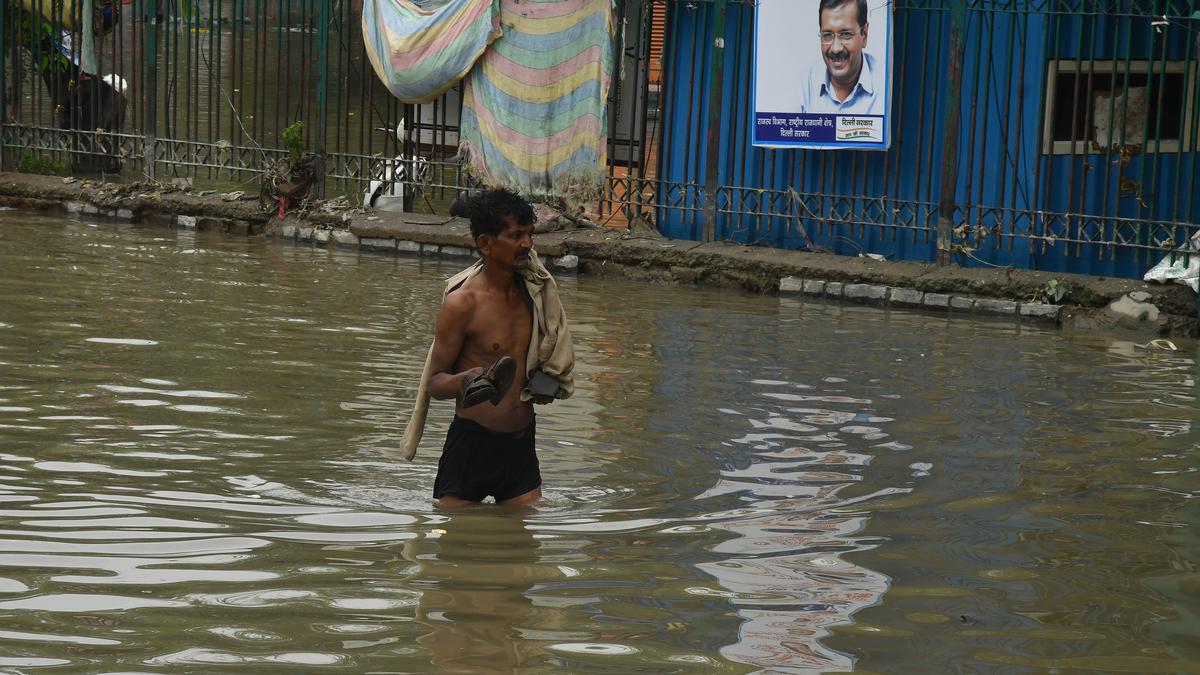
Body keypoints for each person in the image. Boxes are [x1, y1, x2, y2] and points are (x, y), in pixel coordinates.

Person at [399, 188, 575, 508]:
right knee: (454, 545)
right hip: (472, 445)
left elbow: (543, 356)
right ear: (485, 244)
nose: (527, 244)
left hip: (520, 445)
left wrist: (546, 384)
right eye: (516, 235)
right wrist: (467, 380)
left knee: (524, 550)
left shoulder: (536, 294)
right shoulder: (462, 304)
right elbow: (436, 383)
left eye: (529, 234)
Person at [796, 0, 884, 115]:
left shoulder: (884, 86)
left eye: (846, 34)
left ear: (865, 35)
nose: (836, 49)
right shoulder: (806, 82)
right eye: (827, 35)